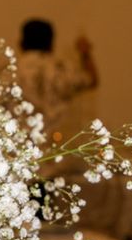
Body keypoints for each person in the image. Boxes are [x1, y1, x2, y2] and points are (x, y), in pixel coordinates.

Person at [16, 18, 99, 150]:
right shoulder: (62, 69)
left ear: (21, 43)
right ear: (51, 44)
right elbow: (92, 79)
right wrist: (85, 53)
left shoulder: (9, 71)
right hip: (55, 150)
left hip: (19, 149)